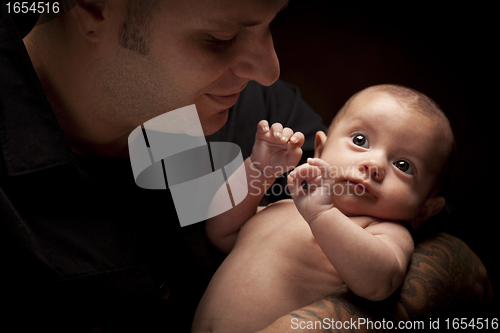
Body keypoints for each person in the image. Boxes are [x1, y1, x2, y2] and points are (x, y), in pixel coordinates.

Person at [0, 0, 491, 332]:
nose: (269, 69)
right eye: (220, 36)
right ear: (91, 7)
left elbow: (459, 265)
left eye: (268, 23)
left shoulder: (246, 108)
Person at [191, 84, 456, 332]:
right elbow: (222, 232)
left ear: (425, 210)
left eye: (403, 166)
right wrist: (258, 169)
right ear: (319, 149)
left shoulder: (382, 232)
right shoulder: (284, 207)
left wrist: (321, 215)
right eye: (361, 140)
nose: (374, 164)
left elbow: (378, 283)